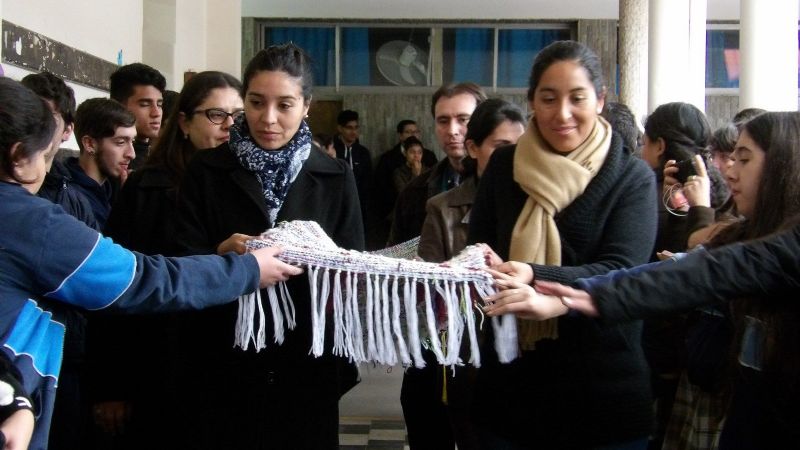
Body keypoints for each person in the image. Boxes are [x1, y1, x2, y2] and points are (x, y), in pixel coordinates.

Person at [0, 76, 301, 450]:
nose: (232, 125)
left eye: (237, 114)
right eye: (46, 157)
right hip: (157, 372)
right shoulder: (31, 221)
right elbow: (138, 280)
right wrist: (247, 269)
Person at [489, 111, 800, 450]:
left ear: (783, 165)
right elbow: (679, 267)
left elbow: (710, 270)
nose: (729, 170)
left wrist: (586, 295)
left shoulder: (783, 247)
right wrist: (573, 292)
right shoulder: (740, 234)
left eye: (744, 159)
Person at [467, 40, 658, 449]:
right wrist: (483, 265)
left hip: (603, 396)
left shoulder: (632, 178)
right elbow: (477, 246)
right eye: (548, 98)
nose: (563, 113)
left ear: (601, 100)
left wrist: (537, 276)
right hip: (509, 390)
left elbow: (623, 270)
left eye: (578, 98)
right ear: (532, 101)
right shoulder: (504, 166)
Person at [172, 43, 364, 450]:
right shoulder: (208, 170)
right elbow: (177, 261)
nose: (269, 119)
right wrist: (220, 253)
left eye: (285, 105)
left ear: (307, 106)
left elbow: (352, 268)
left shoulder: (334, 176)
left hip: (306, 358)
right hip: (226, 354)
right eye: (256, 103)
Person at [91, 71, 244, 449]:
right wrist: (111, 384)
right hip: (159, 360)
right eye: (216, 115)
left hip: (230, 367)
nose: (229, 126)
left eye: (238, 116)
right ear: (184, 121)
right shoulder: (147, 188)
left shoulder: (247, 186)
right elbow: (114, 286)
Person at [402, 98, 525, 450]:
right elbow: (425, 291)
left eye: (521, 147)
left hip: (528, 356)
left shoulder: (541, 205)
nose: (513, 157)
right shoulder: (443, 208)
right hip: (464, 355)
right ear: (474, 148)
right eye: (502, 147)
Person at [20, 71, 95, 450]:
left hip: (65, 355)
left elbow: (116, 280)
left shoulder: (74, 199)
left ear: (65, 130)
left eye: (44, 120)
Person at [388, 82, 487, 245]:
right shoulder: (413, 192)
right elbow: (397, 256)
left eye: (463, 120)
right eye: (443, 121)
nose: (452, 130)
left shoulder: (505, 187)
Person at [63, 98, 136, 230]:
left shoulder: (110, 189)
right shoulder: (68, 197)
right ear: (90, 144)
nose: (131, 154)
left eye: (132, 141)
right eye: (120, 142)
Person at [369, 119, 438, 249]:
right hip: (397, 211)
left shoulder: (429, 157)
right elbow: (383, 189)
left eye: (415, 131)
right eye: (408, 132)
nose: (412, 134)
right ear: (400, 135)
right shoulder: (389, 160)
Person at [109, 63, 166, 171]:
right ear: (118, 106)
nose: (156, 113)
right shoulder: (111, 163)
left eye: (159, 105)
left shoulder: (161, 160)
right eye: (145, 104)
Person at [334, 109, 373, 225]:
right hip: (337, 203)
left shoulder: (363, 153)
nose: (354, 132)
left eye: (356, 127)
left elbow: (368, 182)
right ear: (340, 128)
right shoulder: (332, 150)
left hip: (359, 205)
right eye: (349, 128)